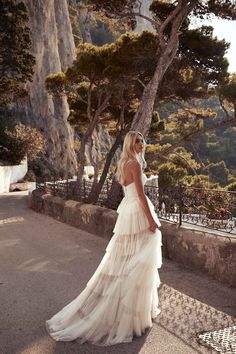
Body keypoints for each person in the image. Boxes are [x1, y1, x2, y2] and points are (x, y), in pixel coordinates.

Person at [45, 130, 162, 346]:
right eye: (137, 142)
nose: (141, 144)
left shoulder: (125, 163)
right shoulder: (134, 165)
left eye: (143, 141)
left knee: (128, 261)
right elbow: (141, 196)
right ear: (130, 144)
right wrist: (152, 221)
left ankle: (134, 312)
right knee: (138, 263)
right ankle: (130, 316)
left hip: (128, 211)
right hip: (137, 212)